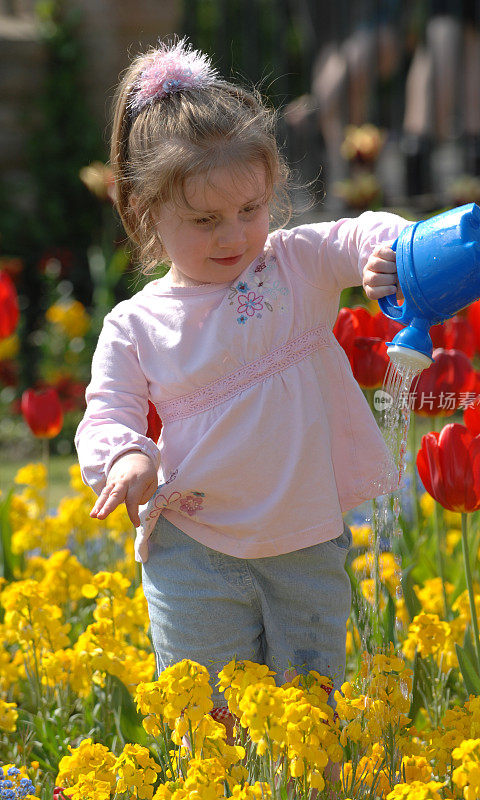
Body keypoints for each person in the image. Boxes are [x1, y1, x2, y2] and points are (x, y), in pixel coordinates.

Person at [75, 39, 412, 742]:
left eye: (251, 209)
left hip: (303, 547)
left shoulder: (291, 266)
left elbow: (360, 233)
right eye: (204, 221)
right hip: (192, 552)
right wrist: (126, 458)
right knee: (213, 735)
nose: (234, 236)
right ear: (143, 211)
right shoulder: (134, 324)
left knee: (310, 729)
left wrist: (394, 255)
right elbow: (106, 411)